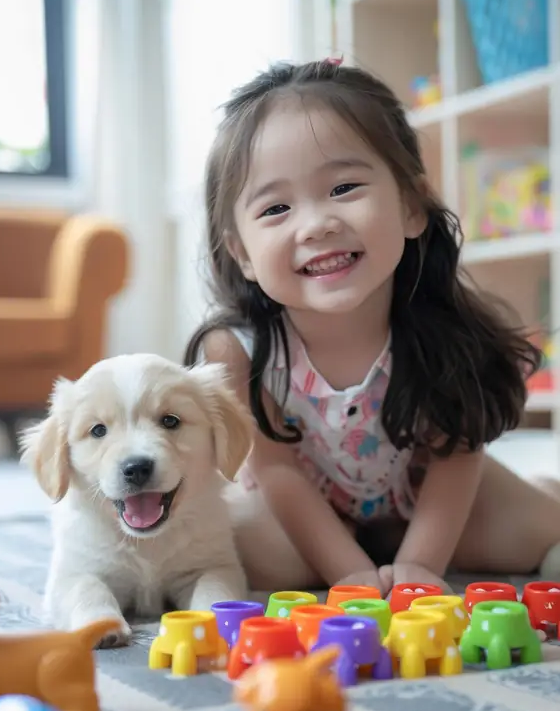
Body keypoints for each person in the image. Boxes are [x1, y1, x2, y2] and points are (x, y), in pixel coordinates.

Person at [183, 58, 560, 597]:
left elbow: (457, 452)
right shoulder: (238, 350)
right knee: (248, 550)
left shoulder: (434, 327)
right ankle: (368, 547)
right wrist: (349, 573)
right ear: (242, 252)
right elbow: (278, 474)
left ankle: (536, 494)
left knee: (541, 531)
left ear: (410, 205)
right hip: (307, 507)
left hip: (422, 490)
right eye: (278, 208)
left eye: (343, 188)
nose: (316, 224)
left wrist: (422, 567)